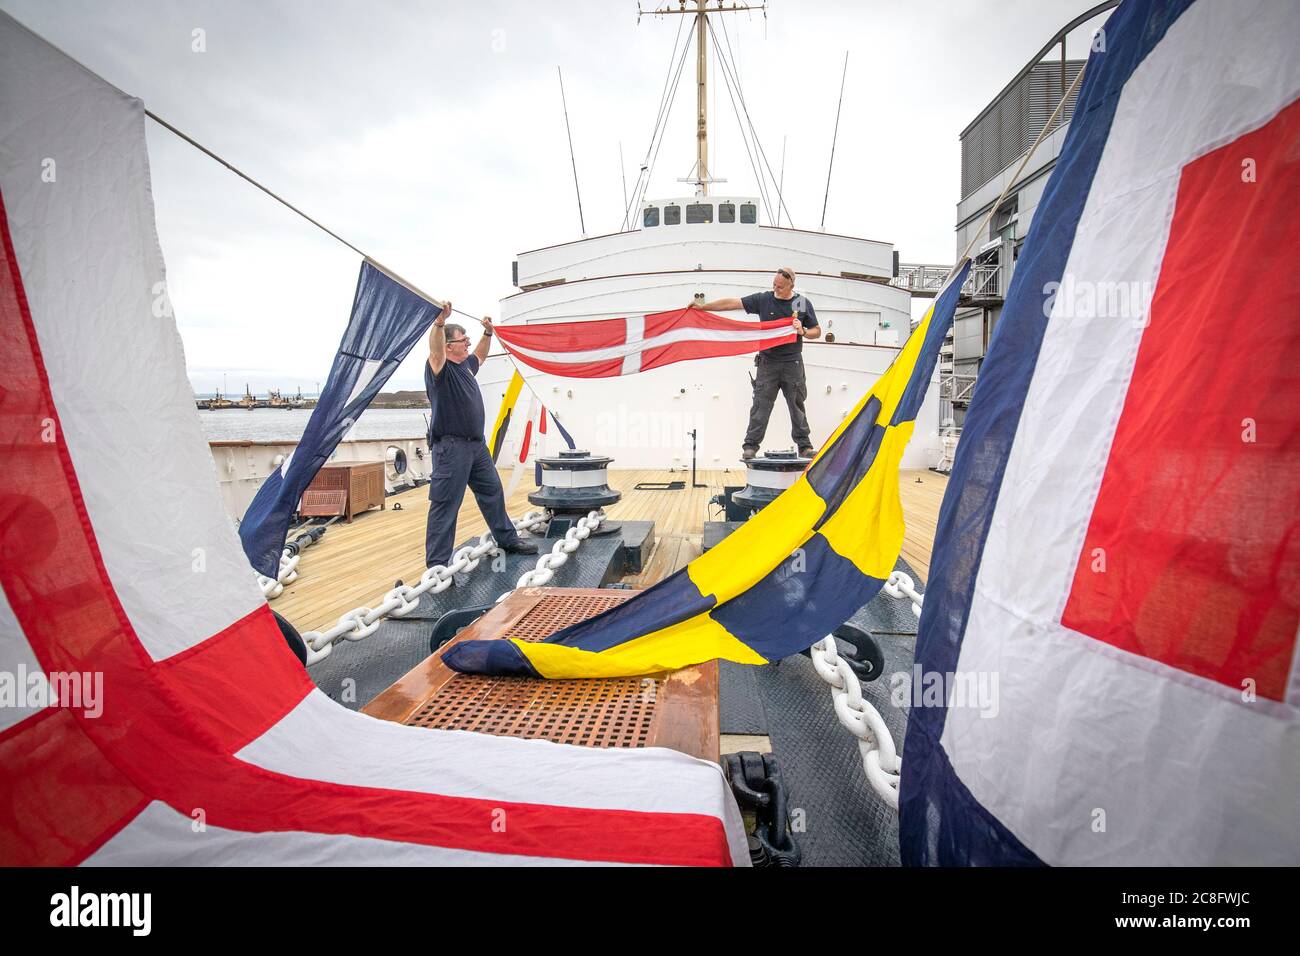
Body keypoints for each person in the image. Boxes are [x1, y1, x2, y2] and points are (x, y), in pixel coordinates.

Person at [424, 302, 538, 568]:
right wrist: (440, 323)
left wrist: (487, 334)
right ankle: (438, 565)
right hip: (451, 448)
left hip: (476, 448)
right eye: (462, 340)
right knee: (446, 505)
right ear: (449, 345)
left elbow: (481, 355)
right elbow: (435, 349)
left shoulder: (465, 366)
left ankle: (508, 540)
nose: (467, 344)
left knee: (492, 492)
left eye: (467, 340)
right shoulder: (440, 368)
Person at [690, 266, 820, 459]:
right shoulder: (764, 299)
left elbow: (816, 331)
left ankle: (804, 446)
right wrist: (703, 307)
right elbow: (733, 303)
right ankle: (750, 446)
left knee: (796, 405)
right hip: (768, 362)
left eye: (781, 287)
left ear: (792, 284)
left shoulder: (800, 303)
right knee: (760, 405)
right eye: (774, 285)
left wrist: (803, 331)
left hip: (793, 363)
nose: (776, 289)